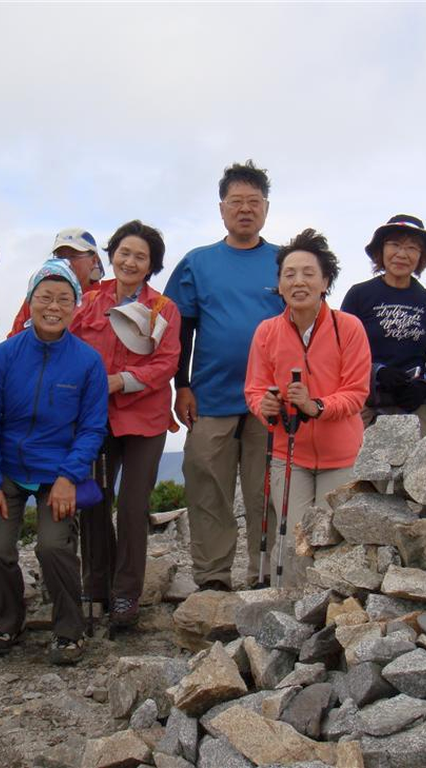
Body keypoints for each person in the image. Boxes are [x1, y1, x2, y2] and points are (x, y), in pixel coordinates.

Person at [0, 259, 107, 664]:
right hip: (7, 470)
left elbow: (92, 428)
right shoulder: (4, 357)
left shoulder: (87, 362)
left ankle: (69, 629)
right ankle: (8, 620)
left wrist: (69, 477)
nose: (54, 306)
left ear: (76, 306)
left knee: (53, 546)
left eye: (64, 298)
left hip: (57, 472)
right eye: (45, 297)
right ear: (29, 301)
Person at [164, 159, 284, 591]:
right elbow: (179, 330)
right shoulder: (198, 263)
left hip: (269, 401)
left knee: (264, 493)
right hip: (210, 397)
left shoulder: (284, 262)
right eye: (237, 202)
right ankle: (213, 577)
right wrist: (182, 385)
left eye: (254, 202)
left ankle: (265, 574)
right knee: (207, 489)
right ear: (222, 209)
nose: (245, 210)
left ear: (266, 209)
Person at [245, 229, 372, 586]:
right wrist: (264, 405)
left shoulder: (348, 327)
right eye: (289, 274)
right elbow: (254, 388)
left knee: (335, 537)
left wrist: (316, 406)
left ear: (325, 281)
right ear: (280, 285)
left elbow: (356, 392)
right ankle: (288, 613)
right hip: (289, 454)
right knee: (292, 538)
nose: (298, 281)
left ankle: (333, 612)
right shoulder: (267, 332)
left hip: (342, 455)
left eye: (308, 273)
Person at [69, 220, 180, 627]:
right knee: (94, 501)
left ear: (151, 265)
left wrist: (120, 381)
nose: (130, 261)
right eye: (124, 253)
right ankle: (95, 586)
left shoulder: (163, 309)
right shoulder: (88, 301)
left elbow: (166, 362)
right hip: (96, 417)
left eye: (141, 256)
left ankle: (126, 595)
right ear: (111, 255)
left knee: (133, 506)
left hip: (146, 419)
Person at [340, 214, 426, 435]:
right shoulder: (359, 294)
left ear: (421, 256)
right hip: (366, 402)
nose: (402, 254)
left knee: (422, 467)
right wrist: (378, 372)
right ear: (381, 250)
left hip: (415, 402)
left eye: (412, 248)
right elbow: (340, 350)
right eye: (395, 245)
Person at [7, 228, 104, 336]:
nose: (66, 262)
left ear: (94, 261)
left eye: (73, 256)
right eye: (60, 257)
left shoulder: (103, 302)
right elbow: (15, 339)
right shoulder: (38, 296)